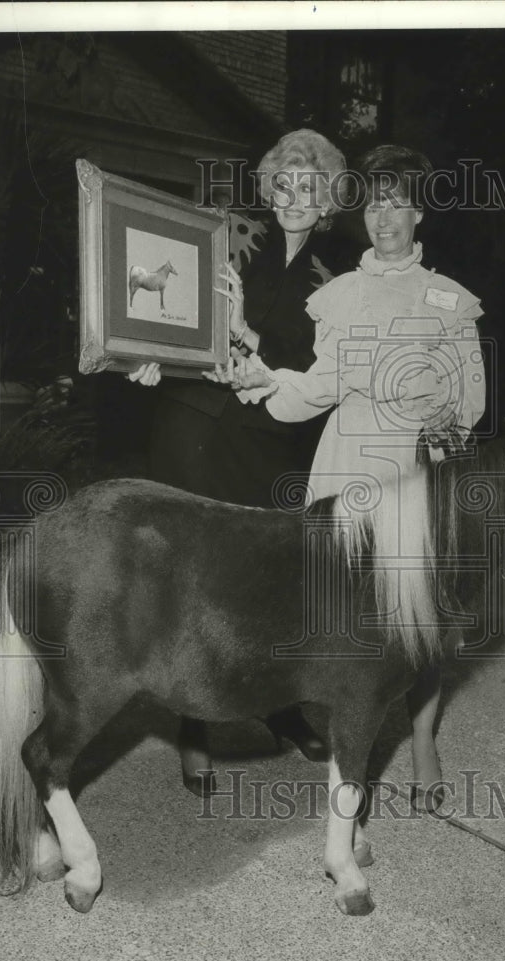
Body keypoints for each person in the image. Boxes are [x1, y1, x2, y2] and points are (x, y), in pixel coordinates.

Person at [131, 130, 347, 787]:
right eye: (281, 184)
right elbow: (176, 309)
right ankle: (192, 728)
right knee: (191, 583)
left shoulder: (339, 273)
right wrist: (142, 352)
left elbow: (320, 361)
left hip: (270, 436)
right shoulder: (230, 239)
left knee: (262, 584)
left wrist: (253, 333)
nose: (291, 198)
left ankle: (278, 707)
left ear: (327, 198)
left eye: (306, 187)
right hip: (195, 423)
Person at [210, 144, 486, 506]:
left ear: (418, 212)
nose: (383, 220)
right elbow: (318, 386)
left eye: (395, 205)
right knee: (334, 558)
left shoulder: (450, 299)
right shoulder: (339, 293)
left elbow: (467, 399)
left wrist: (442, 422)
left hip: (412, 464)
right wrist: (269, 381)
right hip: (342, 458)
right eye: (373, 207)